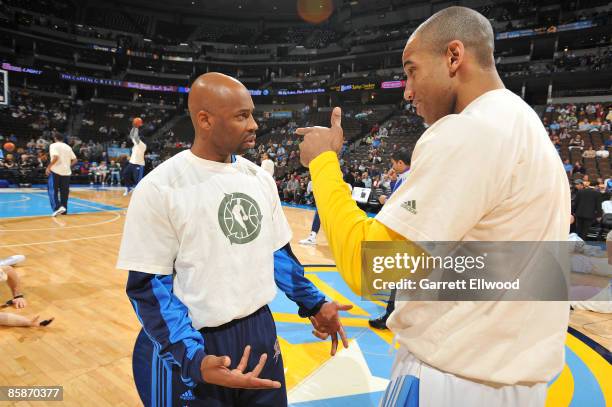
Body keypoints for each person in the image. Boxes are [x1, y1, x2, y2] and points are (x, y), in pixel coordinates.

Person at [298, 6, 570, 406]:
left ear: (454, 56)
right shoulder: (524, 123)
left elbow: (370, 266)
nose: (406, 91)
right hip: (512, 381)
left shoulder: (469, 131)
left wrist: (323, 163)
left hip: (451, 381)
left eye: (411, 71)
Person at [117, 73, 350, 407]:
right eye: (243, 116)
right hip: (198, 339)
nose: (254, 124)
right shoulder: (159, 188)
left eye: (252, 114)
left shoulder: (259, 179)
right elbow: (148, 287)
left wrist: (314, 302)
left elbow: (277, 257)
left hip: (260, 330)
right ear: (205, 120)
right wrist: (192, 358)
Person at [368, 147, 412, 330]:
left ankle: (390, 315)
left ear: (401, 163)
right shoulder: (406, 177)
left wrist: (387, 201)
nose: (392, 168)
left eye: (394, 164)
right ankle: (397, 313)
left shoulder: (409, 179)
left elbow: (407, 205)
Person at [46, 133, 77, 216]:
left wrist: (48, 167)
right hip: (66, 172)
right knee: (64, 192)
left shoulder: (53, 145)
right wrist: (68, 166)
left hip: (55, 171)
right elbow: (75, 160)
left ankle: (57, 208)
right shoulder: (68, 147)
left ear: (55, 138)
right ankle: (64, 210)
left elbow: (56, 157)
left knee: (52, 191)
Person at [123, 123, 147, 196]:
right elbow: (131, 136)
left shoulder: (142, 145)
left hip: (139, 164)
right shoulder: (136, 144)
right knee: (125, 173)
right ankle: (128, 188)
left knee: (138, 180)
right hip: (131, 163)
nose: (137, 138)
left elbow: (135, 137)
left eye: (139, 138)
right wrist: (133, 127)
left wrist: (136, 127)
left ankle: (140, 192)